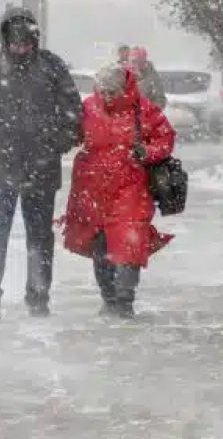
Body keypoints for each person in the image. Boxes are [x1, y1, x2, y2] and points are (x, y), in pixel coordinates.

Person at [0, 7, 83, 320]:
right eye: (15, 44)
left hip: (42, 169)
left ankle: (38, 297)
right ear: (5, 39)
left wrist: (57, 143)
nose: (20, 49)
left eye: (26, 44)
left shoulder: (51, 66)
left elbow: (73, 111)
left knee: (40, 236)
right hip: (0, 169)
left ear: (34, 40)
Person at [63, 64, 176, 319]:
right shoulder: (88, 107)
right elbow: (71, 134)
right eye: (103, 91)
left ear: (124, 89)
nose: (107, 97)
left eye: (112, 92)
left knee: (128, 243)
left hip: (131, 187)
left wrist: (147, 152)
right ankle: (108, 296)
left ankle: (124, 298)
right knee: (101, 246)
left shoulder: (143, 109)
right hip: (93, 187)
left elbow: (165, 137)